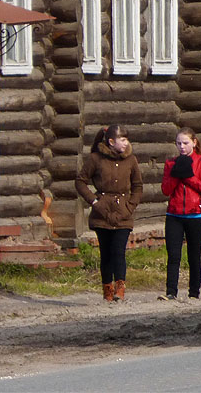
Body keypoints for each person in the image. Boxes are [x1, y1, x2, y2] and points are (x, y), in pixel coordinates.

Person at [75, 125, 142, 302]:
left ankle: (120, 289)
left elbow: (137, 186)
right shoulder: (96, 159)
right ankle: (107, 290)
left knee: (118, 251)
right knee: (106, 253)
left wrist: (130, 206)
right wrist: (94, 201)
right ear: (111, 142)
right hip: (101, 213)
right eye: (122, 139)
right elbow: (81, 181)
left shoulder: (131, 160)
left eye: (127, 139)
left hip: (123, 213)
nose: (126, 143)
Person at [160, 127, 201, 300]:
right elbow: (166, 190)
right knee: (174, 255)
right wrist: (177, 174)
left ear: (194, 143)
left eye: (185, 143)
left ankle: (194, 293)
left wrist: (187, 176)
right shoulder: (171, 163)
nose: (182, 147)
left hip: (195, 215)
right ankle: (171, 292)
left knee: (194, 256)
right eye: (178, 143)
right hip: (174, 215)